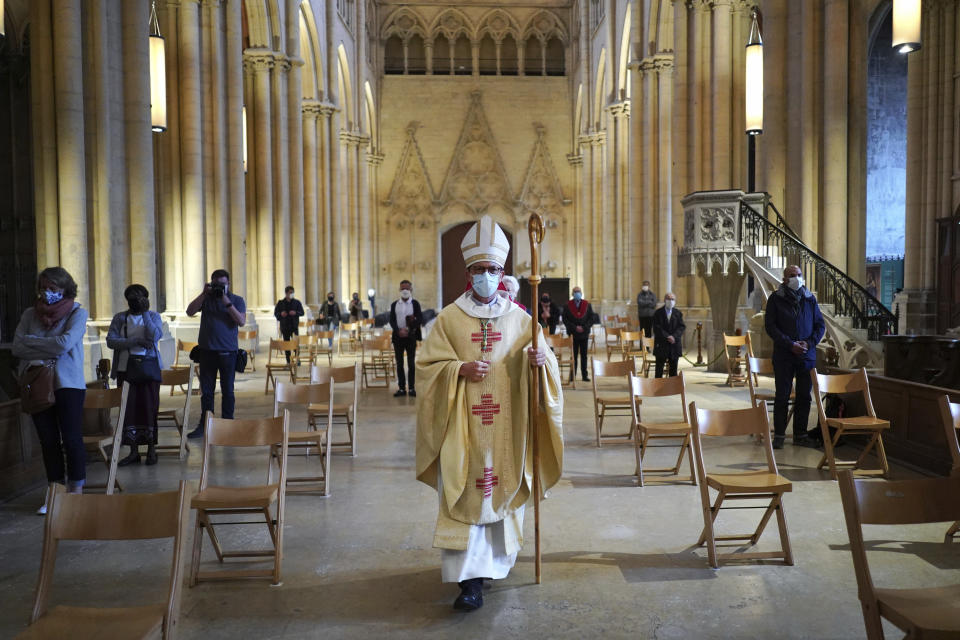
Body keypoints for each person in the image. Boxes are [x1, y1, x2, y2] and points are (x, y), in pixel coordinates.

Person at [416, 215, 563, 612]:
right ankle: (469, 580)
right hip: (461, 424)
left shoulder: (520, 318)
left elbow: (547, 365)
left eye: (493, 270)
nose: (486, 276)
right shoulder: (448, 318)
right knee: (466, 488)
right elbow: (426, 369)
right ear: (469, 273)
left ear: (502, 273)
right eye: (479, 270)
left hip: (506, 426)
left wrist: (539, 360)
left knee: (499, 485)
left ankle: (495, 566)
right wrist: (457, 369)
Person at [12, 267, 89, 513]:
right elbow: (17, 347)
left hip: (68, 384)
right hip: (36, 383)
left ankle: (75, 492)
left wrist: (33, 343)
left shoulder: (78, 313)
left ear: (65, 289)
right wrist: (48, 345)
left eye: (53, 289)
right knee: (48, 440)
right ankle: (55, 492)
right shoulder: (29, 314)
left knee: (71, 438)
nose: (47, 293)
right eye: (43, 288)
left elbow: (64, 344)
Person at [765, 264, 825, 449]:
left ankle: (800, 434)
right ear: (784, 279)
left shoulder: (809, 299)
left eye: (799, 275)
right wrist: (790, 344)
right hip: (784, 355)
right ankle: (780, 435)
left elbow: (819, 325)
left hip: (806, 355)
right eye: (792, 275)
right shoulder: (775, 299)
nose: (797, 278)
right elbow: (771, 326)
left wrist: (809, 343)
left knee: (804, 397)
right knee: (782, 396)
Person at [106, 285, 165, 466]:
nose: (135, 300)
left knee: (149, 409)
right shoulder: (120, 318)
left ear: (146, 299)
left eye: (139, 297)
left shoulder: (153, 316)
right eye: (131, 297)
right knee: (128, 411)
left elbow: (156, 335)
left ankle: (151, 450)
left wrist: (145, 313)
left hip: (148, 369)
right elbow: (110, 340)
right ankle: (133, 452)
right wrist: (135, 341)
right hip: (126, 369)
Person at [185, 269, 246, 439]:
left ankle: (227, 426)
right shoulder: (207, 299)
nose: (219, 287)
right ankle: (205, 425)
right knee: (207, 391)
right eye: (216, 284)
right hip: (207, 352)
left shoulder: (236, 300)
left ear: (228, 284)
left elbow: (241, 321)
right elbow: (189, 311)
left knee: (228, 391)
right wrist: (204, 294)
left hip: (228, 353)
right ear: (211, 283)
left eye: (222, 284)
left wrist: (225, 300)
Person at [389, 280, 423, 397]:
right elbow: (392, 320)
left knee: (411, 364)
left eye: (407, 288)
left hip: (411, 337)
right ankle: (402, 388)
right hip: (398, 337)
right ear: (399, 290)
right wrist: (398, 330)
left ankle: (412, 388)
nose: (405, 291)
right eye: (402, 288)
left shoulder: (415, 304)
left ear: (411, 290)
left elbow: (420, 319)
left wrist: (408, 329)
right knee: (399, 363)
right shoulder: (394, 305)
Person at [562, 286, 596, 382]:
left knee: (584, 355)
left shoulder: (587, 304)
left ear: (581, 293)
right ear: (572, 294)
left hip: (584, 334)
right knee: (574, 355)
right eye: (575, 292)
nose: (577, 293)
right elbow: (565, 319)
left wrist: (584, 327)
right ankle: (573, 375)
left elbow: (592, 318)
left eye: (578, 291)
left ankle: (584, 376)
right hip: (573, 334)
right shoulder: (567, 305)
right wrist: (574, 327)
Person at [651, 292, 685, 378]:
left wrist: (674, 336)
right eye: (668, 299)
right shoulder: (658, 313)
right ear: (664, 300)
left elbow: (681, 327)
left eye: (672, 299)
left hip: (674, 345)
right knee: (659, 369)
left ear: (675, 301)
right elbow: (656, 328)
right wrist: (667, 336)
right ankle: (658, 388)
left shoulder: (678, 313)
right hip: (662, 344)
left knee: (673, 370)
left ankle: (672, 388)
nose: (670, 301)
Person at [274, 286, 304, 363]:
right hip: (285, 327)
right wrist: (281, 314)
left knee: (295, 343)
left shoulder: (297, 302)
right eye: (290, 292)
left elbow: (302, 312)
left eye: (293, 292)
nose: (292, 294)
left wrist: (295, 313)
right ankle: (288, 361)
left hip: (294, 326)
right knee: (286, 344)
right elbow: (276, 313)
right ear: (286, 293)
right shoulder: (281, 303)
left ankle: (297, 358)